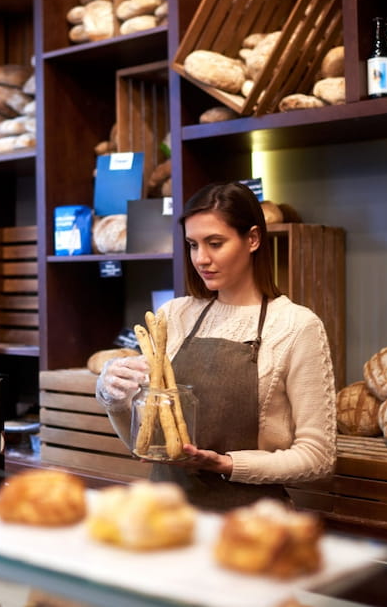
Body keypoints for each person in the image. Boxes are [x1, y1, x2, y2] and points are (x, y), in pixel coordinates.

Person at [96, 181, 336, 510]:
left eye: (215, 243)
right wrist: (115, 400)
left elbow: (318, 458)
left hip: (252, 524)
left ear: (252, 239)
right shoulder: (173, 316)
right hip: (166, 515)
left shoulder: (296, 326)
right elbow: (147, 444)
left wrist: (227, 465)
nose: (201, 258)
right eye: (193, 245)